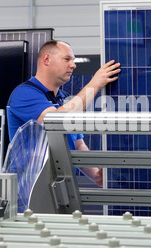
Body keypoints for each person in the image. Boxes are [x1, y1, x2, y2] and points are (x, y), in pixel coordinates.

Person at [7, 40, 121, 186]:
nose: (73, 65)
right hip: (29, 190)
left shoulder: (63, 100)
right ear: (46, 59)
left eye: (73, 60)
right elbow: (56, 120)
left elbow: (78, 145)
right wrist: (95, 84)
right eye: (67, 59)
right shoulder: (24, 93)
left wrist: (96, 175)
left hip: (60, 188)